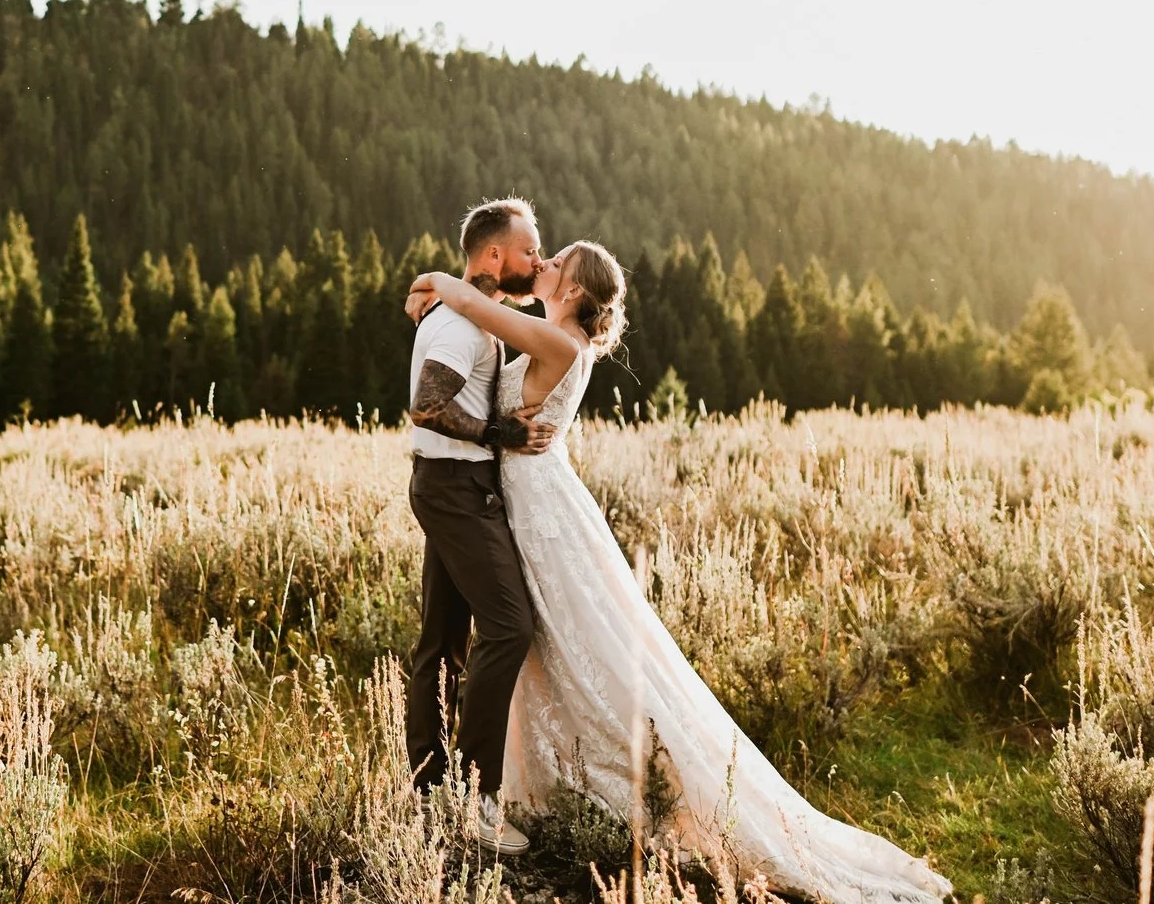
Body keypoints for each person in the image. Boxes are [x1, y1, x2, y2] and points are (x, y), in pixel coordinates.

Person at [407, 244, 953, 904]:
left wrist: (436, 280)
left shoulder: (559, 339)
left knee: (582, 649)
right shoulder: (562, 335)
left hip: (540, 513)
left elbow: (471, 305)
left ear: (575, 289)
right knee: (550, 646)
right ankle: (516, 789)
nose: (543, 261)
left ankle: (592, 787)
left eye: (556, 261)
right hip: (529, 504)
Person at [404, 197, 557, 856]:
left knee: (442, 641)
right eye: (528, 249)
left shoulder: (472, 315)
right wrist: (500, 431)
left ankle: (430, 790)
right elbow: (427, 404)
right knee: (508, 625)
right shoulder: (460, 328)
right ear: (493, 255)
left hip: (451, 484)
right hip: (455, 489)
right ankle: (473, 798)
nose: (537, 260)